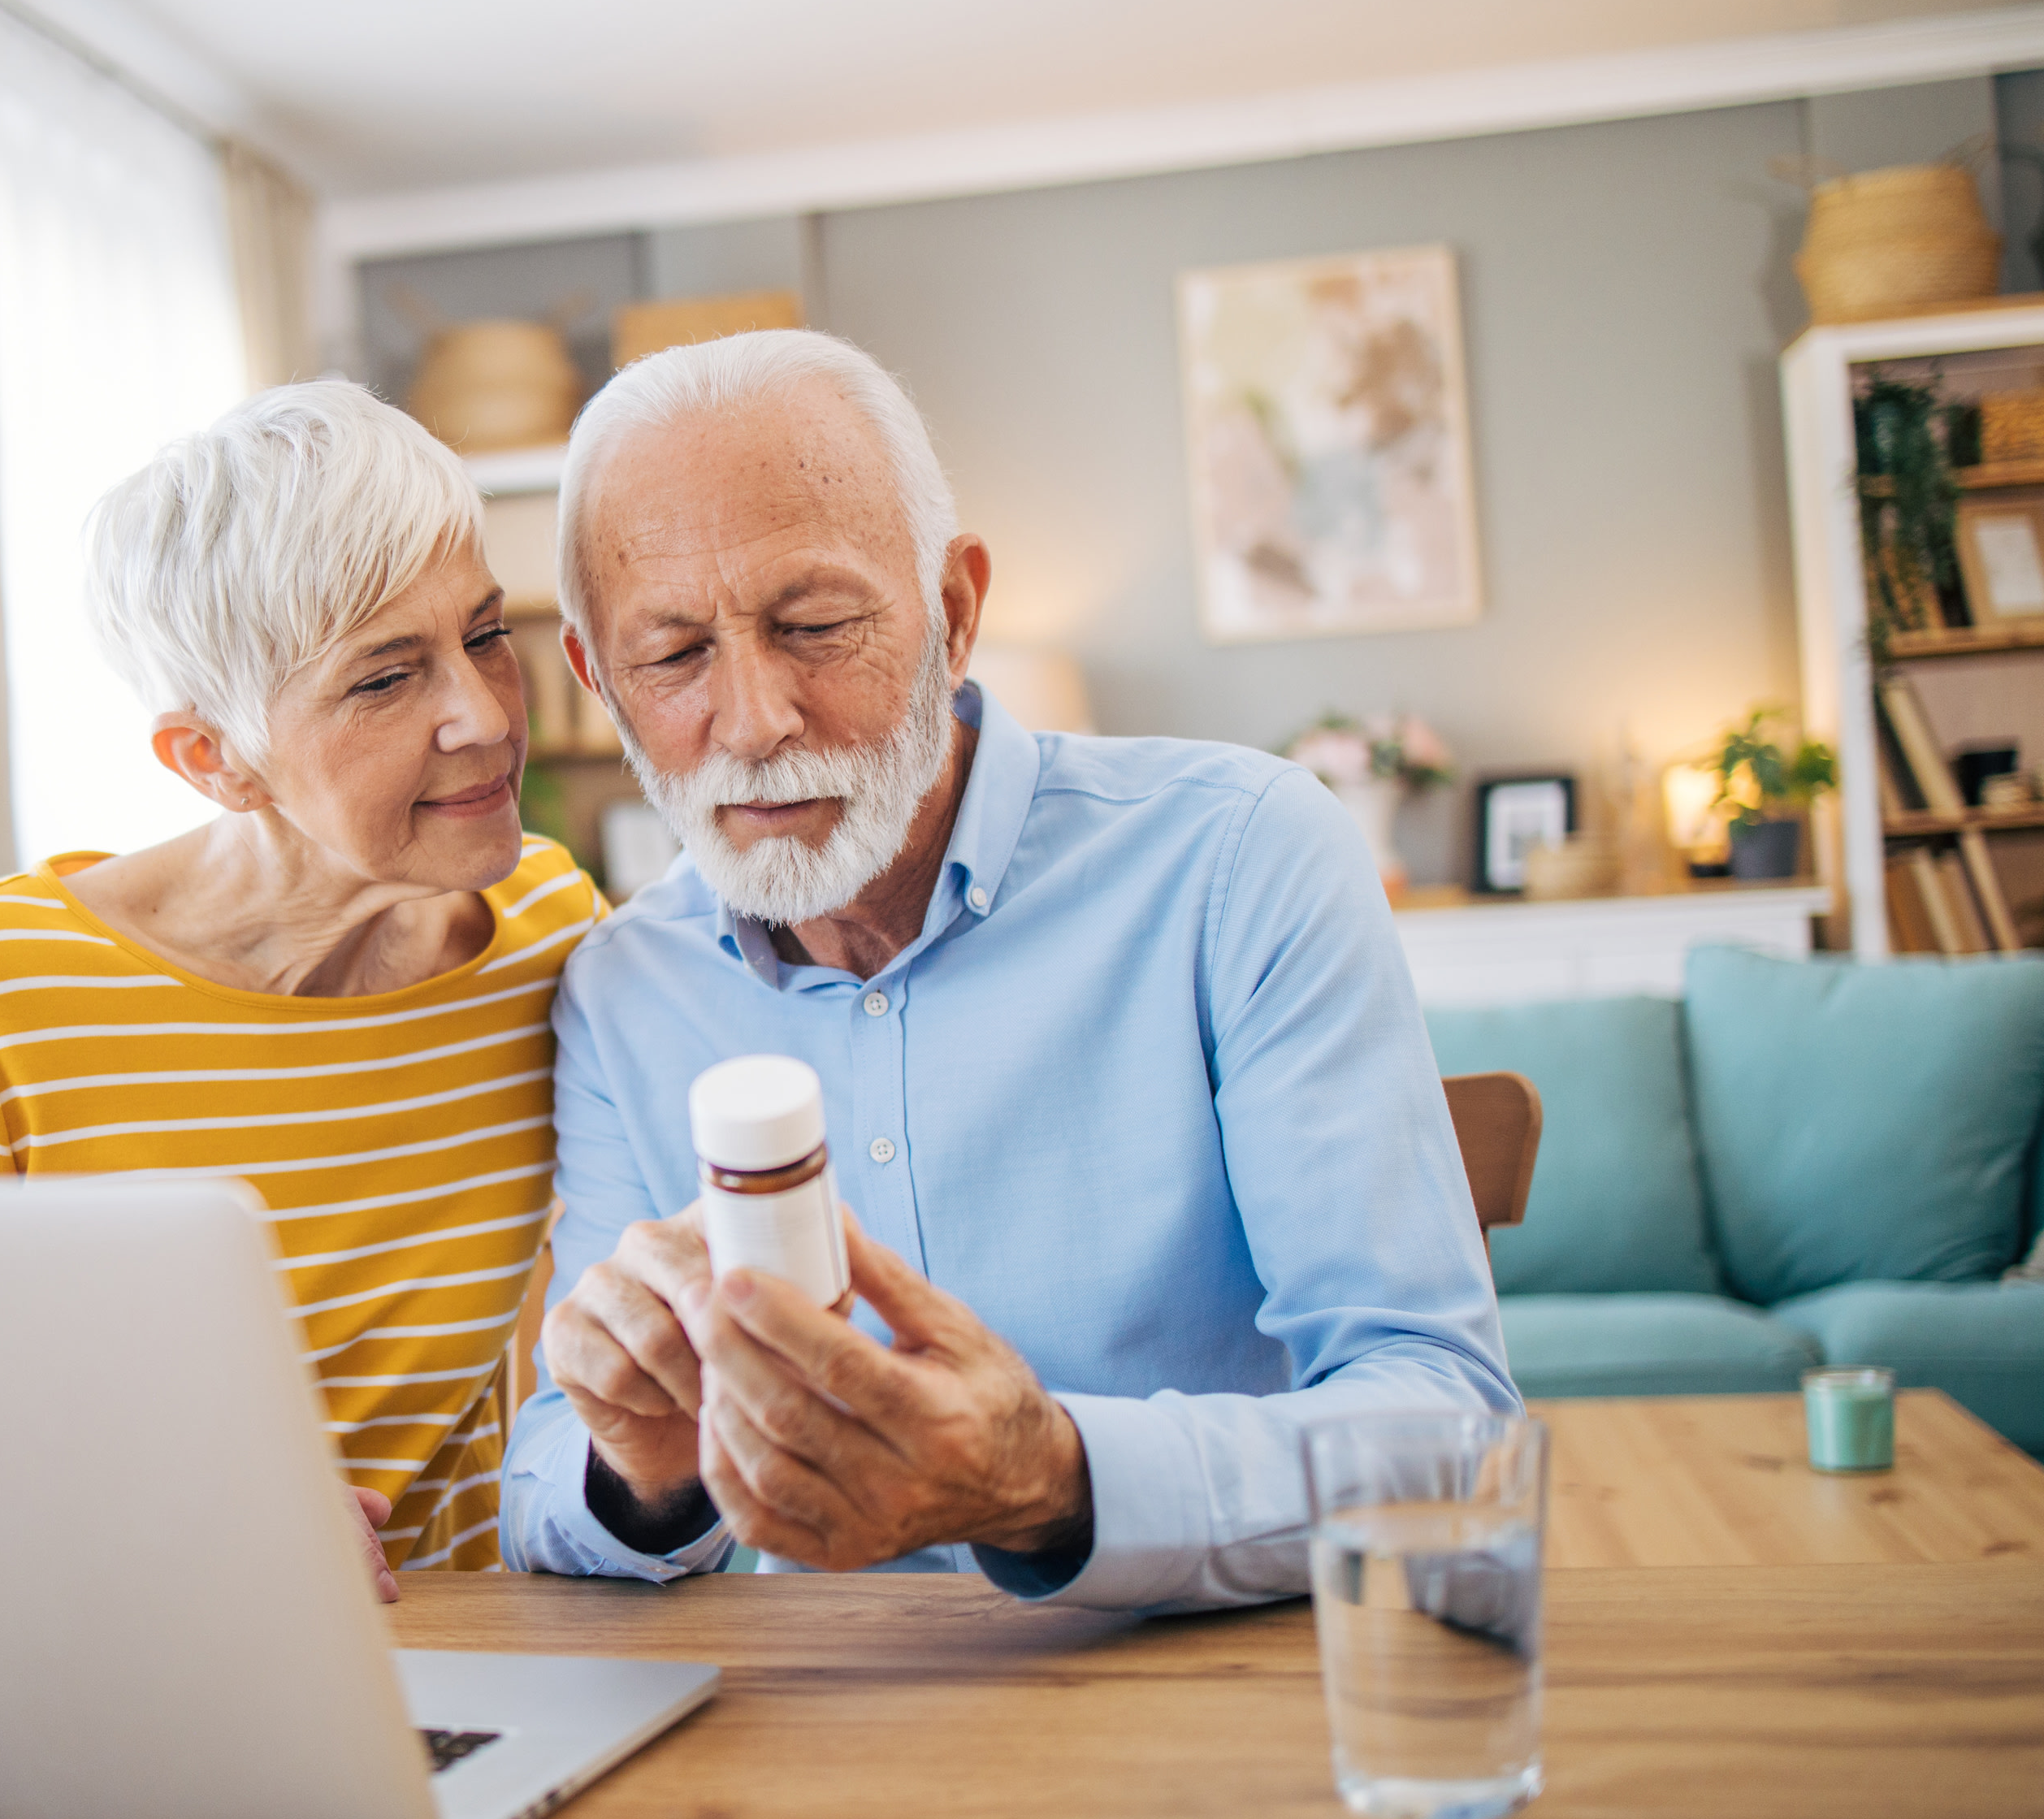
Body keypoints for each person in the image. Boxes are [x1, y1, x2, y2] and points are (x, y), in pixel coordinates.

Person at [500, 329, 1516, 1609]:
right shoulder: (621, 990)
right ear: (599, 680)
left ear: (956, 613)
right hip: (819, 1734)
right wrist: (643, 1473)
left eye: (815, 625)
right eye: (673, 657)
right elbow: (547, 1472)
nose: (754, 721)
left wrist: (1057, 1479)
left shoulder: (1241, 858)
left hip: (1218, 1680)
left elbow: (1446, 1427)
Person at [0, 380, 604, 1593]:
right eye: (387, 679)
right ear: (215, 760)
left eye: (484, 634)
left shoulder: (549, 931)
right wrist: (167, 1509)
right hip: (107, 1660)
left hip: (473, 1668)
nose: (487, 716)